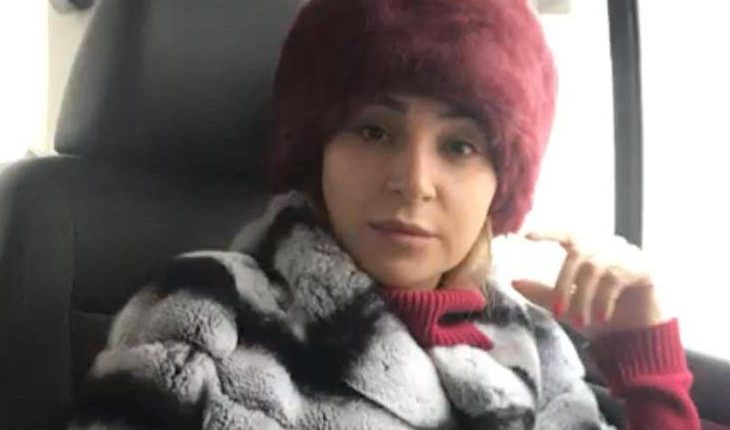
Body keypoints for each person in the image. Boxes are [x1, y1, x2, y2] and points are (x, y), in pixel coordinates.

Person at [69, 0, 700, 428]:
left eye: (460, 146)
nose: (414, 182)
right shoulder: (204, 317)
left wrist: (644, 354)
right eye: (373, 131)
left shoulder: (532, 343)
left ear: (500, 180)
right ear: (318, 150)